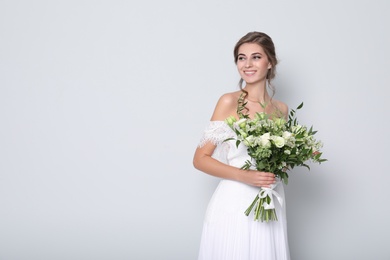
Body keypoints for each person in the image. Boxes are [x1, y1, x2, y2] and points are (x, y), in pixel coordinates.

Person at [193, 32, 290, 260]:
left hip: (270, 201)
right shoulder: (229, 101)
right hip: (235, 203)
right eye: (241, 58)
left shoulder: (281, 110)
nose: (247, 64)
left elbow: (279, 158)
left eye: (256, 57)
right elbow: (200, 159)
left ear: (270, 62)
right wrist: (246, 176)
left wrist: (280, 168)